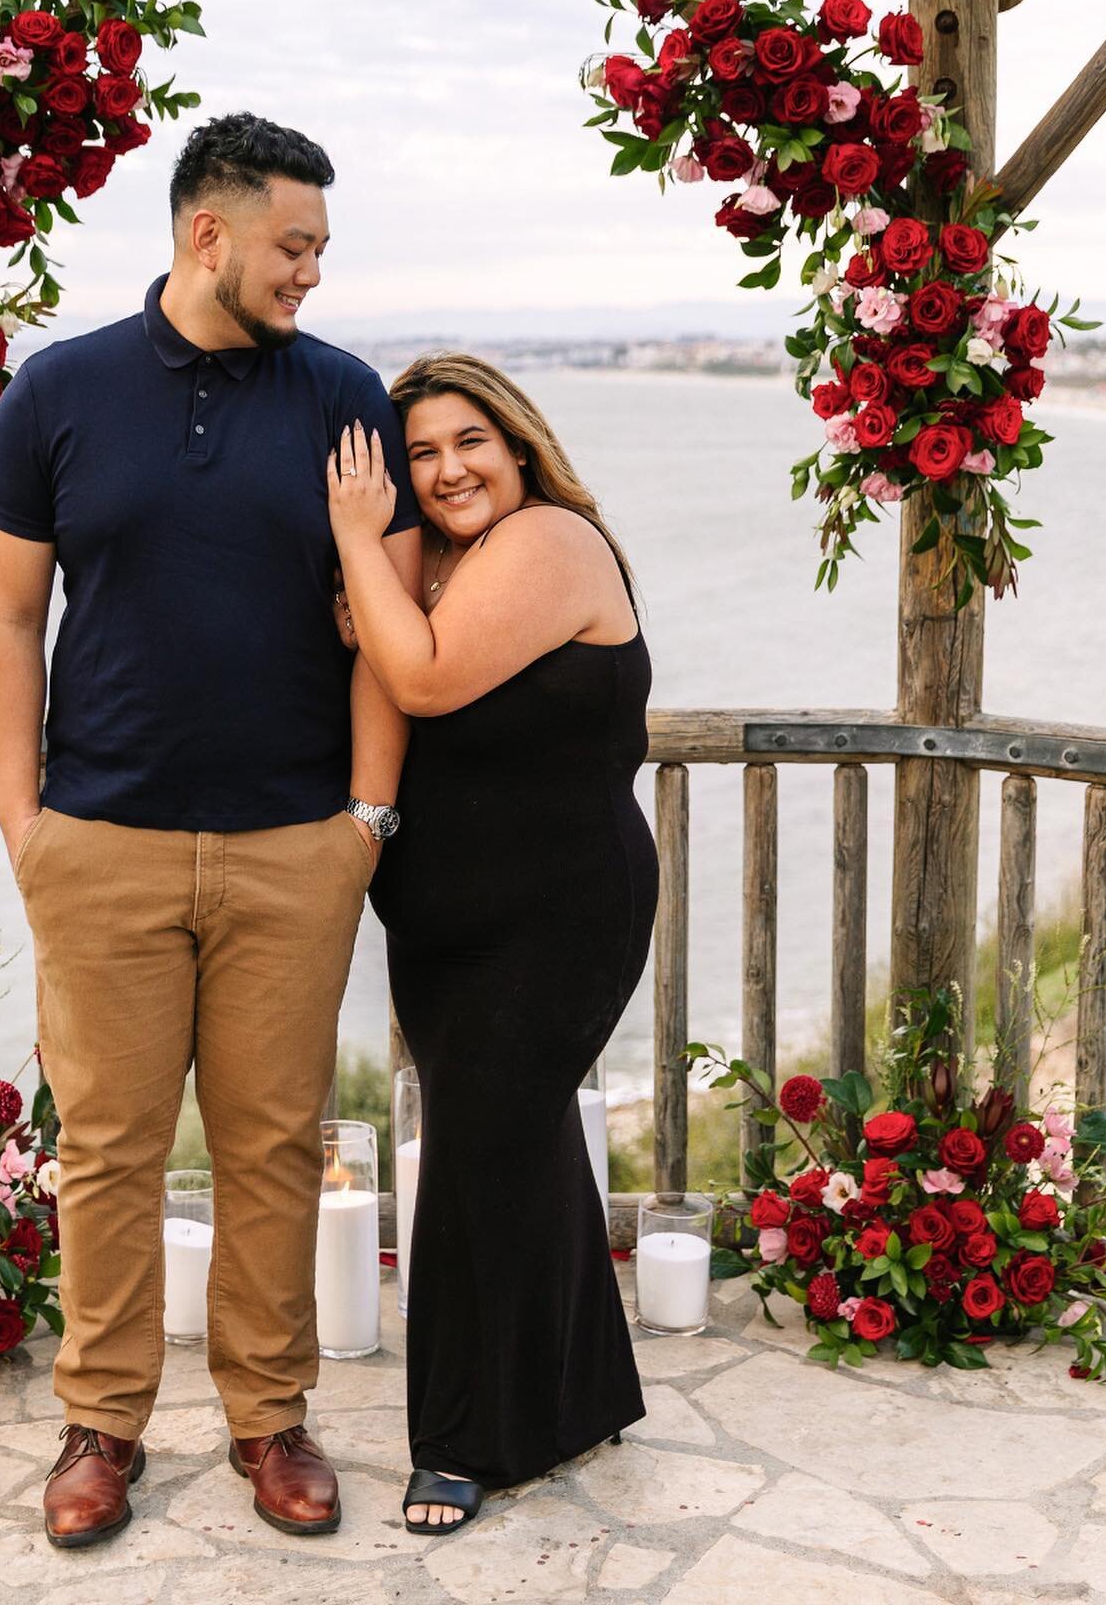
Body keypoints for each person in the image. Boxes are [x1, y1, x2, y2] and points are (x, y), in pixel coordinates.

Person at [0, 113, 422, 1550]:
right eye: (294, 247)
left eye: (322, 251)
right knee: (105, 1148)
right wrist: (24, 818)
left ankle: (268, 1415)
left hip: (296, 843)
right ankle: (101, 1425)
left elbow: (386, 633)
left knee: (275, 1146)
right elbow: (4, 619)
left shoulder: (347, 398)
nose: (310, 275)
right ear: (204, 233)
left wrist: (364, 819)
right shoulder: (56, 394)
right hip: (99, 840)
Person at [326, 352, 655, 1534]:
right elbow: (371, 670)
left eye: (470, 441)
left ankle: (467, 1443)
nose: (448, 468)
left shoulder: (550, 542)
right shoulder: (445, 558)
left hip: (559, 913)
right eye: (420, 453)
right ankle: (584, 1391)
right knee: (514, 1146)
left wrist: (361, 532)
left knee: (479, 1153)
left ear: (517, 444)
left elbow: (417, 676)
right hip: (448, 920)